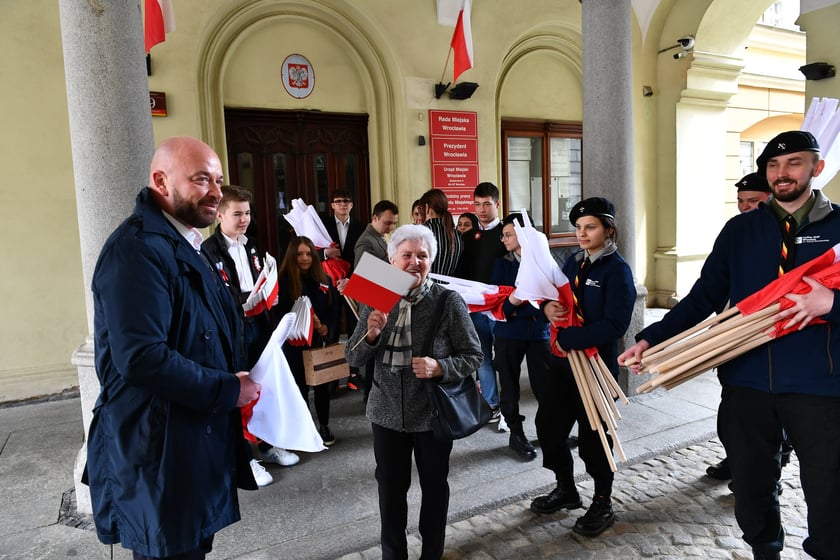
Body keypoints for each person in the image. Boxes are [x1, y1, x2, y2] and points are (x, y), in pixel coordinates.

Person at [619, 131, 840, 560]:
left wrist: (831, 303)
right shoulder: (741, 229)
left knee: (829, 485)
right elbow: (704, 297)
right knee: (751, 480)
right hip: (747, 380)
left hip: (820, 385)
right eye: (773, 166)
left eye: (793, 163)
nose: (781, 173)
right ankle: (765, 549)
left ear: (817, 167)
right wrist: (651, 338)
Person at [86, 136, 261, 559]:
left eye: (218, 181)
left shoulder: (184, 242)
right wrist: (226, 389)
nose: (216, 193)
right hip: (158, 452)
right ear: (161, 181)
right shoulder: (136, 249)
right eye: (201, 179)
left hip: (187, 443)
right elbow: (142, 358)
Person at [345, 224, 482, 560]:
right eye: (406, 255)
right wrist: (372, 335)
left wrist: (440, 368)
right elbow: (353, 356)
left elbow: (473, 354)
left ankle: (431, 553)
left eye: (422, 255)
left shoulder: (447, 301)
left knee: (434, 490)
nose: (414, 262)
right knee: (391, 492)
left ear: (431, 261)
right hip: (385, 413)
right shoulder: (379, 294)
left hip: (432, 414)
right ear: (391, 260)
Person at [530, 197, 635, 538]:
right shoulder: (574, 263)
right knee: (548, 428)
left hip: (595, 369)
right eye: (578, 227)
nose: (582, 233)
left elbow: (616, 325)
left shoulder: (617, 270)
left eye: (590, 227)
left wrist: (573, 338)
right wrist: (545, 308)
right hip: (562, 366)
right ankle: (566, 489)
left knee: (594, 441)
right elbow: (551, 295)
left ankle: (602, 502)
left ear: (608, 229)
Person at [202, 185, 300, 486]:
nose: (244, 219)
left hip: (258, 322)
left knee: (263, 383)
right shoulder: (208, 250)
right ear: (220, 214)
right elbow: (212, 293)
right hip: (232, 327)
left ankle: (268, 443)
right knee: (239, 386)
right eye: (237, 214)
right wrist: (241, 304)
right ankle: (245, 457)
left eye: (247, 213)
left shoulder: (253, 245)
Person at [490, 212, 549, 461]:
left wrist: (518, 302)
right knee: (510, 388)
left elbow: (551, 297)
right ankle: (516, 434)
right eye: (502, 235)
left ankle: (548, 433)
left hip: (539, 333)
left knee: (546, 386)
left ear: (525, 235)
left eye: (508, 235)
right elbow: (498, 306)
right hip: (508, 334)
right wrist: (519, 301)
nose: (503, 239)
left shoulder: (544, 261)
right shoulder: (501, 264)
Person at [277, 236, 341, 446]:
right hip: (294, 346)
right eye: (299, 254)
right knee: (299, 388)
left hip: (317, 343)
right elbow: (277, 313)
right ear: (292, 256)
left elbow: (334, 310)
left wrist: (325, 328)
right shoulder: (283, 282)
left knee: (322, 386)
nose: (304, 258)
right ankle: (304, 428)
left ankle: (324, 425)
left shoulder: (324, 279)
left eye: (308, 253)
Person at [456, 182, 508, 421]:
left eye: (487, 204)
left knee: (506, 359)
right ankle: (491, 405)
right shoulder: (468, 238)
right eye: (477, 204)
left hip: (503, 308)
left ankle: (510, 404)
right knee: (483, 358)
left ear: (497, 204)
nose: (482, 209)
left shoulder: (507, 234)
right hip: (475, 308)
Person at [321, 188, 366, 391]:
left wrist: (351, 278)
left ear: (351, 205)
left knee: (356, 328)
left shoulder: (360, 227)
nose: (342, 204)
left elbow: (363, 257)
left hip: (354, 283)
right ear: (332, 205)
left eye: (346, 201)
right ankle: (332, 380)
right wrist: (325, 253)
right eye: (338, 201)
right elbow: (308, 248)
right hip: (330, 285)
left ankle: (353, 374)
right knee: (331, 330)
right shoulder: (323, 225)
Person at [420, 188, 463, 275]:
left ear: (427, 208)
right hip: (449, 287)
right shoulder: (457, 234)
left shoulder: (420, 232)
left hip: (426, 287)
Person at [354, 200, 400, 268]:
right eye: (387, 223)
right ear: (375, 218)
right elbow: (361, 274)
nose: (392, 227)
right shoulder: (365, 242)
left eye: (394, 223)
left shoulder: (383, 235)